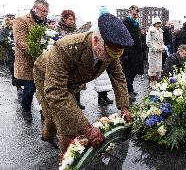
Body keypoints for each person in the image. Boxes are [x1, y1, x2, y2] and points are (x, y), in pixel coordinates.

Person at [33, 11, 133, 158]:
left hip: (71, 80)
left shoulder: (111, 51)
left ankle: (50, 130)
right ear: (96, 40)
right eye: (109, 52)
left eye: (115, 54)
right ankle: (66, 157)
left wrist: (124, 107)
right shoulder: (64, 48)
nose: (111, 58)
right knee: (59, 115)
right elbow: (56, 92)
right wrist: (87, 129)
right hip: (45, 74)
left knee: (65, 114)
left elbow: (118, 77)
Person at [13, 0, 49, 121]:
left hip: (43, 61)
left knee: (44, 89)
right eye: (43, 11)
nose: (45, 14)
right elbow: (20, 42)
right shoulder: (21, 20)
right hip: (28, 61)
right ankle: (26, 109)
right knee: (30, 89)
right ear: (34, 8)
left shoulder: (43, 22)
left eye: (47, 12)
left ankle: (45, 112)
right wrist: (37, 52)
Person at [57, 9, 85, 109]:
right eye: (70, 19)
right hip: (64, 59)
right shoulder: (58, 29)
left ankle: (77, 102)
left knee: (77, 81)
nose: (72, 21)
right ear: (64, 19)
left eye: (73, 19)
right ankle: (68, 104)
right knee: (66, 83)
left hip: (76, 59)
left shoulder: (75, 29)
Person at [121, 5, 144, 101]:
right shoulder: (125, 22)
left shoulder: (136, 23)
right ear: (130, 11)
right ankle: (127, 93)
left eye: (138, 12)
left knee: (133, 72)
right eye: (135, 11)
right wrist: (125, 53)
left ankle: (130, 89)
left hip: (136, 52)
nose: (136, 14)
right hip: (128, 52)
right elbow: (123, 38)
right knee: (128, 73)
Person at [0, 14, 22, 93]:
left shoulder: (19, 28)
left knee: (21, 68)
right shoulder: (4, 30)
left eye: (13, 18)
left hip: (20, 51)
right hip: (10, 52)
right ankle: (18, 86)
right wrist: (7, 41)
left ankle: (23, 83)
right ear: (7, 19)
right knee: (13, 68)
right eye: (11, 18)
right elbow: (1, 40)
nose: (12, 19)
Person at [146, 16, 165, 89]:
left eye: (159, 23)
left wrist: (163, 47)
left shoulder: (161, 31)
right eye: (157, 23)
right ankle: (151, 82)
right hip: (153, 52)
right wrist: (156, 48)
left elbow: (161, 41)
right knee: (152, 68)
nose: (159, 24)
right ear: (154, 23)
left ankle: (156, 81)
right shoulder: (150, 31)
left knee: (158, 67)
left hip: (159, 52)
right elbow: (148, 42)